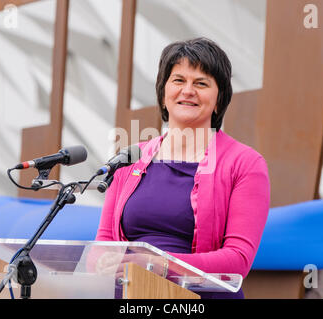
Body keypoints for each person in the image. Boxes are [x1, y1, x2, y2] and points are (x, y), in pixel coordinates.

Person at [95, 37, 270, 298]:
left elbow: (237, 261)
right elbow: (103, 243)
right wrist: (102, 263)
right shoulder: (130, 157)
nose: (188, 90)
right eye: (178, 80)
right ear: (164, 95)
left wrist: (158, 265)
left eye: (201, 83)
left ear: (219, 101)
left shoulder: (245, 164)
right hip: (130, 297)